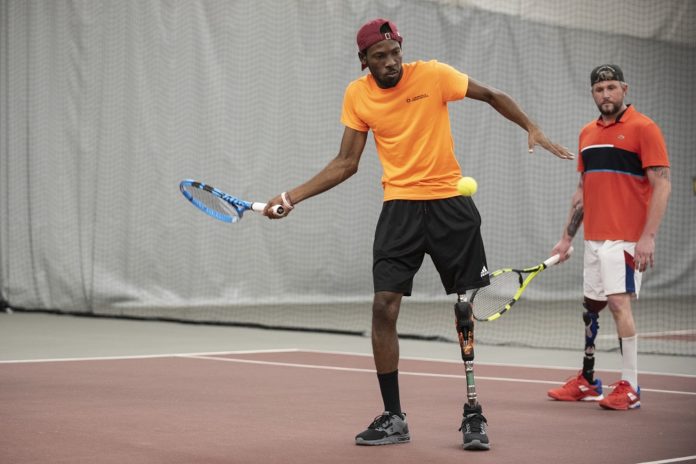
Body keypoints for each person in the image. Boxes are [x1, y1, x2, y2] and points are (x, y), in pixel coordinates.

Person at [263, 18, 574, 449]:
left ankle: (473, 414)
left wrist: (531, 126)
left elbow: (491, 95)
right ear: (363, 61)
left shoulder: (432, 75)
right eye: (380, 57)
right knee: (383, 308)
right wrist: (290, 196)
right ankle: (393, 417)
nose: (391, 63)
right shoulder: (358, 95)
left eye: (395, 53)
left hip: (451, 209)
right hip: (400, 212)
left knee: (464, 310)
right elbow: (346, 162)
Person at [547, 64, 671, 410]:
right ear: (592, 93)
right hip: (593, 238)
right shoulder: (587, 133)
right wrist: (566, 238)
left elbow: (662, 184)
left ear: (624, 89)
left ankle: (630, 386)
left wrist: (649, 236)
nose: (606, 95)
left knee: (619, 303)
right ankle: (588, 381)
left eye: (612, 88)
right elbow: (583, 189)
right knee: (592, 306)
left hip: (628, 239)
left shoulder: (644, 128)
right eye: (600, 89)